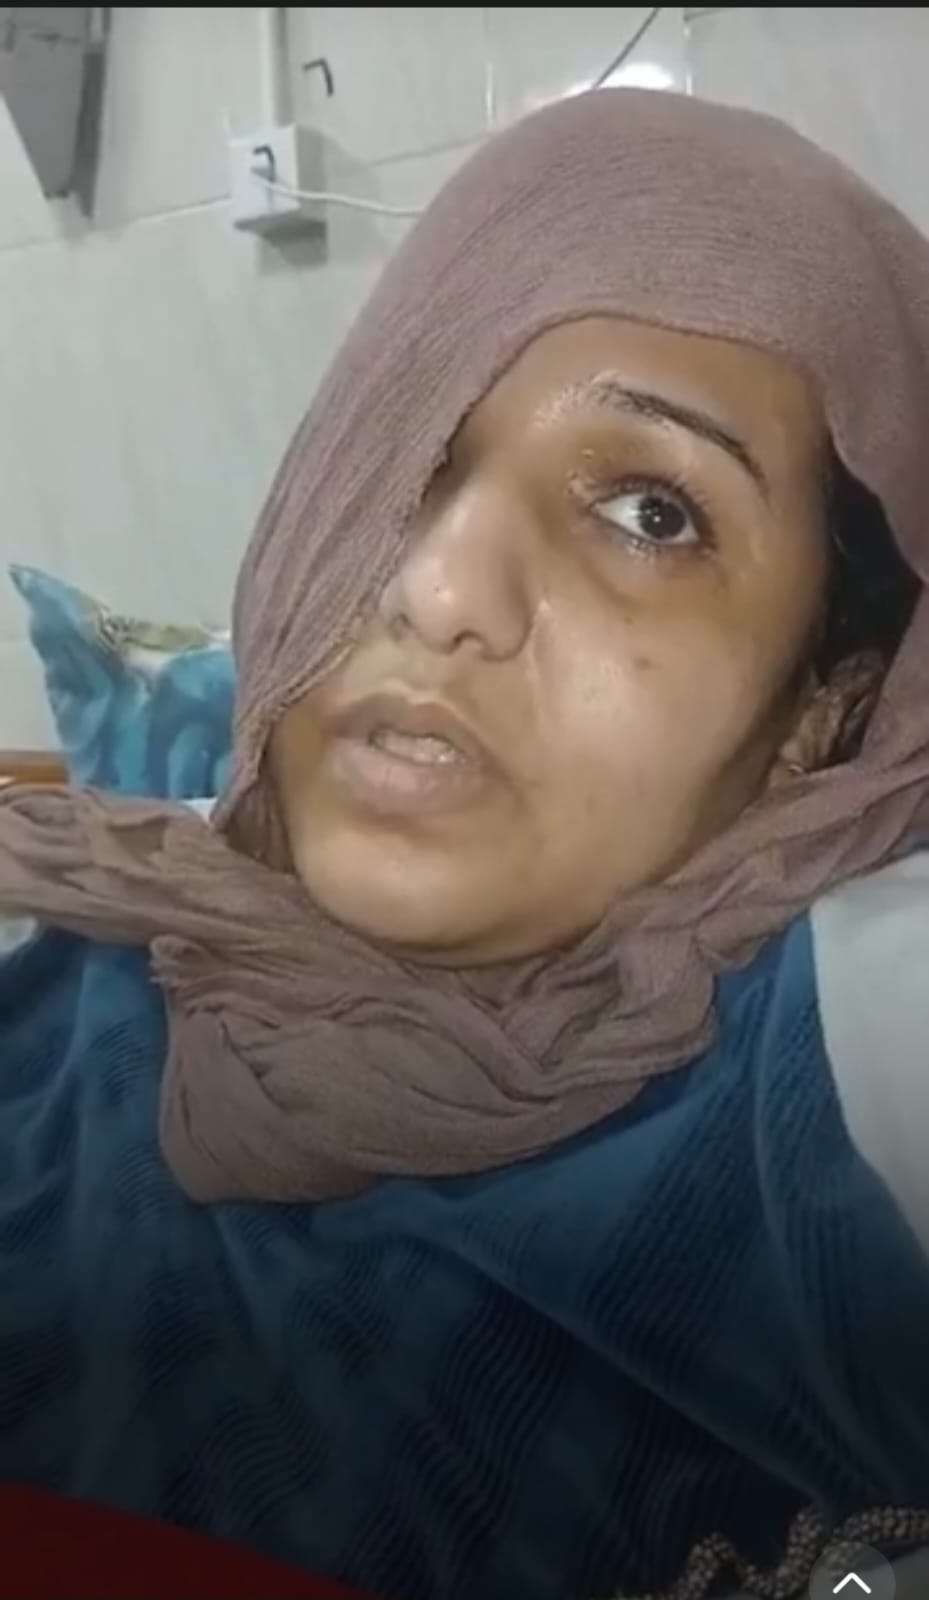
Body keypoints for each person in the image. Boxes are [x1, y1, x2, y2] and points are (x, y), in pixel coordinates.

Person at [2, 86, 929, 1600]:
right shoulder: (74, 1002)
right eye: (413, 449)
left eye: (650, 513)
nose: (438, 590)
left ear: (817, 717)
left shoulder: (836, 1142)